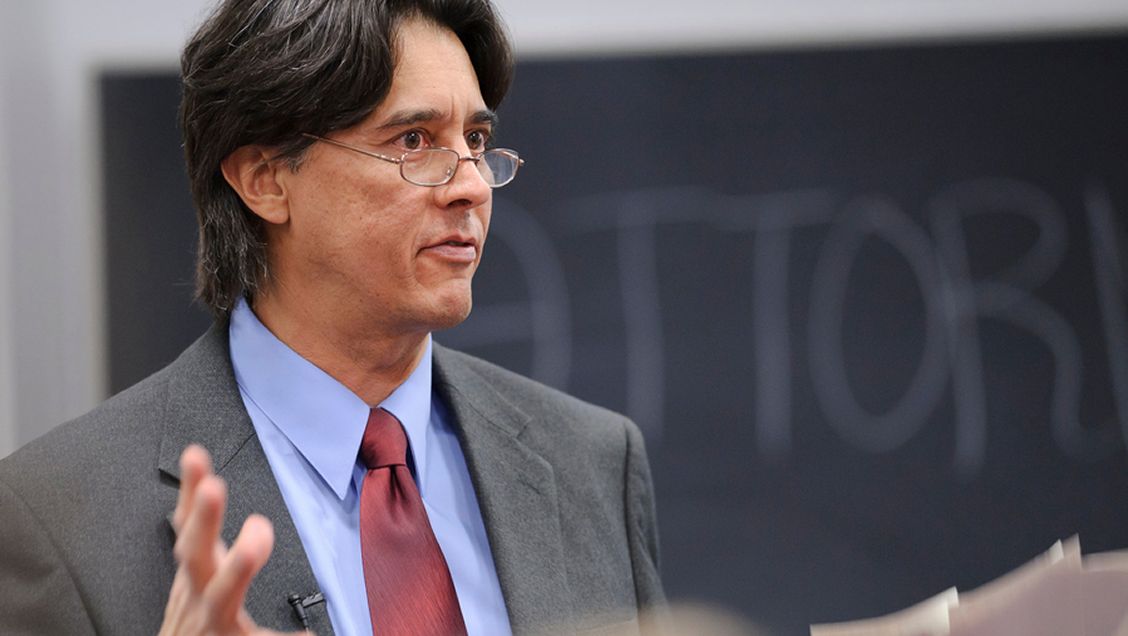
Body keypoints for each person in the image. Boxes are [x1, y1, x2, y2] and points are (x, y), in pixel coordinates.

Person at [0, 1, 664, 634]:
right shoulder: (58, 517)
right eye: (414, 140)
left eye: (476, 139)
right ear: (264, 178)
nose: (470, 185)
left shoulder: (592, 463)